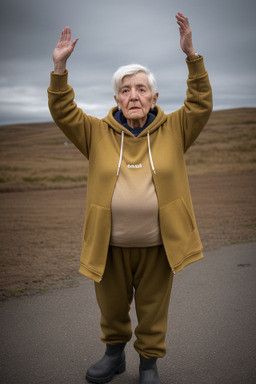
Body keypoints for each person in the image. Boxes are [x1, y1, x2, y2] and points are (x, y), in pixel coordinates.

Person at [48, 12, 212, 384]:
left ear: (154, 96)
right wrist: (59, 68)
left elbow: (201, 104)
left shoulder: (175, 129)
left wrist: (191, 56)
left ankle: (149, 365)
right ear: (117, 98)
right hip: (109, 246)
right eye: (125, 89)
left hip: (159, 245)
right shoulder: (95, 133)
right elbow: (62, 111)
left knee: (153, 310)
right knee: (111, 309)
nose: (133, 95)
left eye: (141, 88)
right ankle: (114, 356)